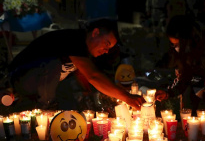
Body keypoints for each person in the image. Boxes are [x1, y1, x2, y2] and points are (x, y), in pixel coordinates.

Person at [7, 18, 145, 110]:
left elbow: (85, 76)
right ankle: (46, 107)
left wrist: (91, 96)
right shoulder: (75, 39)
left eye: (109, 48)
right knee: (54, 64)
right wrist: (127, 97)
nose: (106, 51)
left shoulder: (83, 51)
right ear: (95, 33)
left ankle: (48, 103)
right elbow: (93, 76)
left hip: (37, 82)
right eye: (106, 44)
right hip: (21, 77)